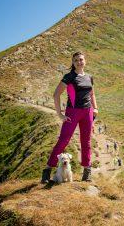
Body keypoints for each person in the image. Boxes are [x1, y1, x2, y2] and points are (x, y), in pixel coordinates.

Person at [41, 51, 99, 183]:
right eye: (76, 60)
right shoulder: (69, 76)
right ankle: (47, 171)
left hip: (87, 112)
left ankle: (87, 172)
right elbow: (56, 94)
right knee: (63, 140)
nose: (79, 62)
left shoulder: (89, 77)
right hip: (72, 112)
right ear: (73, 63)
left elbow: (92, 93)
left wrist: (95, 107)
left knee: (86, 142)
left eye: (81, 59)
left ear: (85, 61)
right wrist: (60, 114)